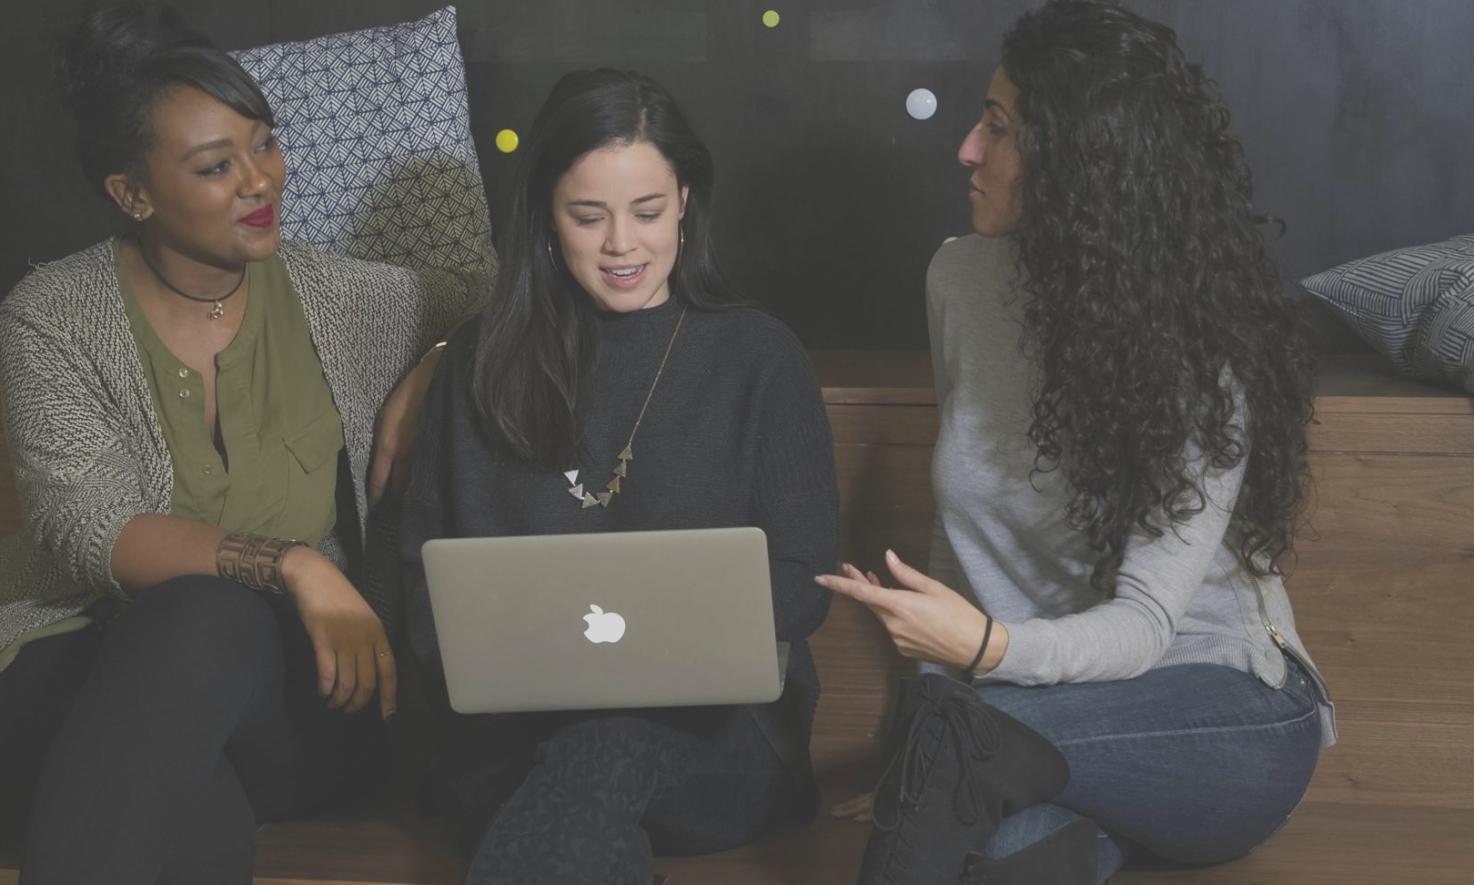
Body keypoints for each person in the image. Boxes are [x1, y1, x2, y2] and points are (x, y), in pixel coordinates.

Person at [819, 2, 1336, 883]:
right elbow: (961, 539)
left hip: (1223, 719)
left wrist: (976, 672)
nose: (967, 152)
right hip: (1034, 718)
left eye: (999, 127)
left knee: (954, 753)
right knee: (995, 857)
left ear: (1082, 165)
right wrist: (931, 750)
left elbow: (1143, 628)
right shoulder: (960, 280)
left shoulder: (1202, 349)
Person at [0, 3, 479, 882]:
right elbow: (89, 529)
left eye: (265, 143)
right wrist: (296, 562)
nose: (262, 181)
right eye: (218, 166)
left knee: (203, 622)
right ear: (131, 193)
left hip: (304, 696)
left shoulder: (348, 301)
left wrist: (442, 359)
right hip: (71, 661)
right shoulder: (52, 317)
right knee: (190, 811)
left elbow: (505, 303)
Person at [399, 68, 838, 885]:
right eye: (588, 216)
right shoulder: (480, 363)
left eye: (646, 212)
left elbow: (804, 583)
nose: (622, 246)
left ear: (685, 203)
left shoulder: (760, 358)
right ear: (545, 217)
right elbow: (422, 582)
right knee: (580, 791)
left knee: (602, 751)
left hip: (719, 746)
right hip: (511, 745)